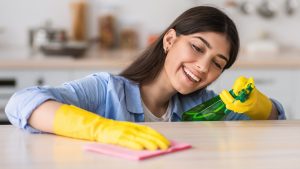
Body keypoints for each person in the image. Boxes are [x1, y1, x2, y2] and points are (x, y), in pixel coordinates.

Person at [5, 6, 285, 151]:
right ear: (170, 40)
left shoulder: (203, 107)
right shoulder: (107, 91)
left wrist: (258, 105)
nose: (202, 67)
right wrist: (102, 129)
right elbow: (22, 102)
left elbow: (272, 124)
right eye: (197, 48)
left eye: (217, 63)